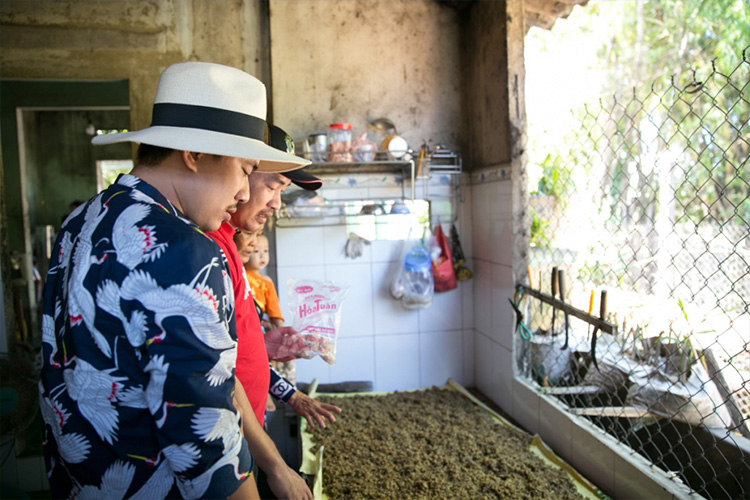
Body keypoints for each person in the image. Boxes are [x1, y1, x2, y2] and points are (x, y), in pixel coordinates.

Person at [38, 62, 308, 500]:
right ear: (195, 154)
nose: (244, 192)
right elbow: (204, 440)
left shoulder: (80, 220)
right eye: (245, 169)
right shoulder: (186, 252)